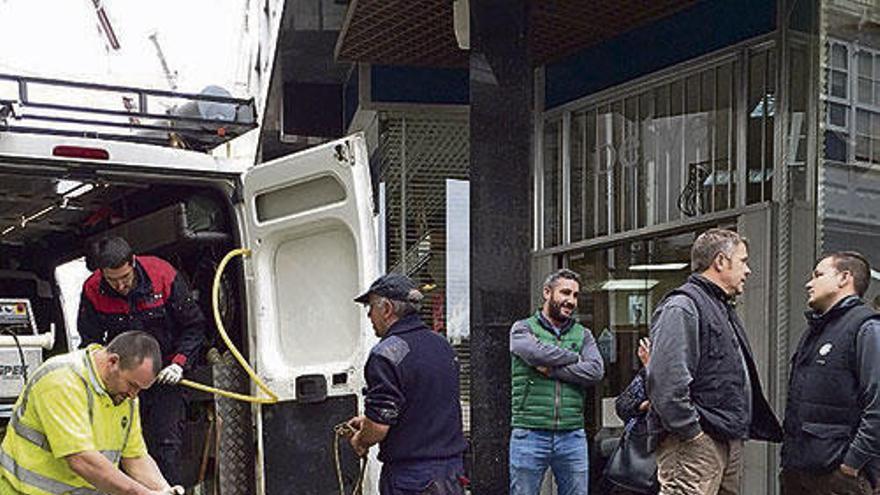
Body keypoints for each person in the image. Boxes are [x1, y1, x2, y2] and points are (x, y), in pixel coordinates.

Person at [646, 228, 782, 495]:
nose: (748, 270)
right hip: (696, 443)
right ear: (720, 261)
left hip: (724, 437)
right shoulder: (683, 307)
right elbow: (667, 383)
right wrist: (693, 434)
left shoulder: (720, 306)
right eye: (743, 261)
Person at [77, 236, 207, 486]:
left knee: (165, 444)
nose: (120, 286)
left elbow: (194, 326)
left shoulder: (162, 276)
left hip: (165, 376)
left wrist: (179, 363)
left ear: (133, 262)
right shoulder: (92, 289)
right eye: (112, 280)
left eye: (124, 278)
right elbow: (90, 340)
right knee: (117, 447)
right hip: (121, 380)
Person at [0, 331, 184, 495]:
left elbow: (135, 456)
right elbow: (82, 460)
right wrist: (142, 493)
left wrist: (163, 489)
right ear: (113, 361)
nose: (134, 395)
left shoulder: (124, 394)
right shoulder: (62, 380)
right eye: (132, 385)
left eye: (140, 389)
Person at [345, 273, 467, 495]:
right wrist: (369, 419)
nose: (370, 315)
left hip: (412, 478)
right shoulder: (442, 346)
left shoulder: (385, 354)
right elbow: (426, 402)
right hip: (451, 473)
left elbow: (379, 428)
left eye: (371, 307)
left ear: (387, 309)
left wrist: (361, 439)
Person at [781, 251, 880, 495]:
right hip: (799, 470)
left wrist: (850, 465)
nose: (809, 283)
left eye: (818, 275)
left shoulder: (867, 328)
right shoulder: (816, 329)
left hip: (837, 476)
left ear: (844, 278)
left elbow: (877, 407)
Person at [509, 268, 605, 495]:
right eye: (565, 293)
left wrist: (552, 371)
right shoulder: (522, 328)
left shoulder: (584, 335)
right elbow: (532, 353)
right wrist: (574, 357)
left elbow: (595, 371)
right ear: (547, 292)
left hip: (572, 434)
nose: (571, 300)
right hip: (529, 432)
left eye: (575, 295)